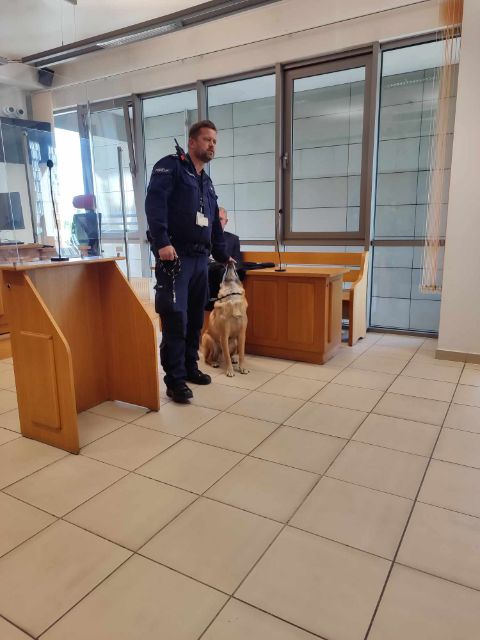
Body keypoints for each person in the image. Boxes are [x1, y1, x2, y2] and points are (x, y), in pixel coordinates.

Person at [145, 120, 231, 403]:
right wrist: (162, 242)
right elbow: (155, 204)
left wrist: (222, 254)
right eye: (207, 140)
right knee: (175, 319)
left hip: (200, 260)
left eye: (214, 141)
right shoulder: (170, 167)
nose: (212, 145)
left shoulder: (206, 180)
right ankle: (175, 380)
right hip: (175, 258)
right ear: (192, 142)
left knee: (195, 318)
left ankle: (190, 367)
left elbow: (214, 222)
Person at [206, 207, 244, 311]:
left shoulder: (233, 239)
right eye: (215, 219)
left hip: (224, 275)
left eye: (220, 219)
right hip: (206, 272)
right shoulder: (203, 237)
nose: (217, 222)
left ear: (226, 222)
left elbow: (237, 262)